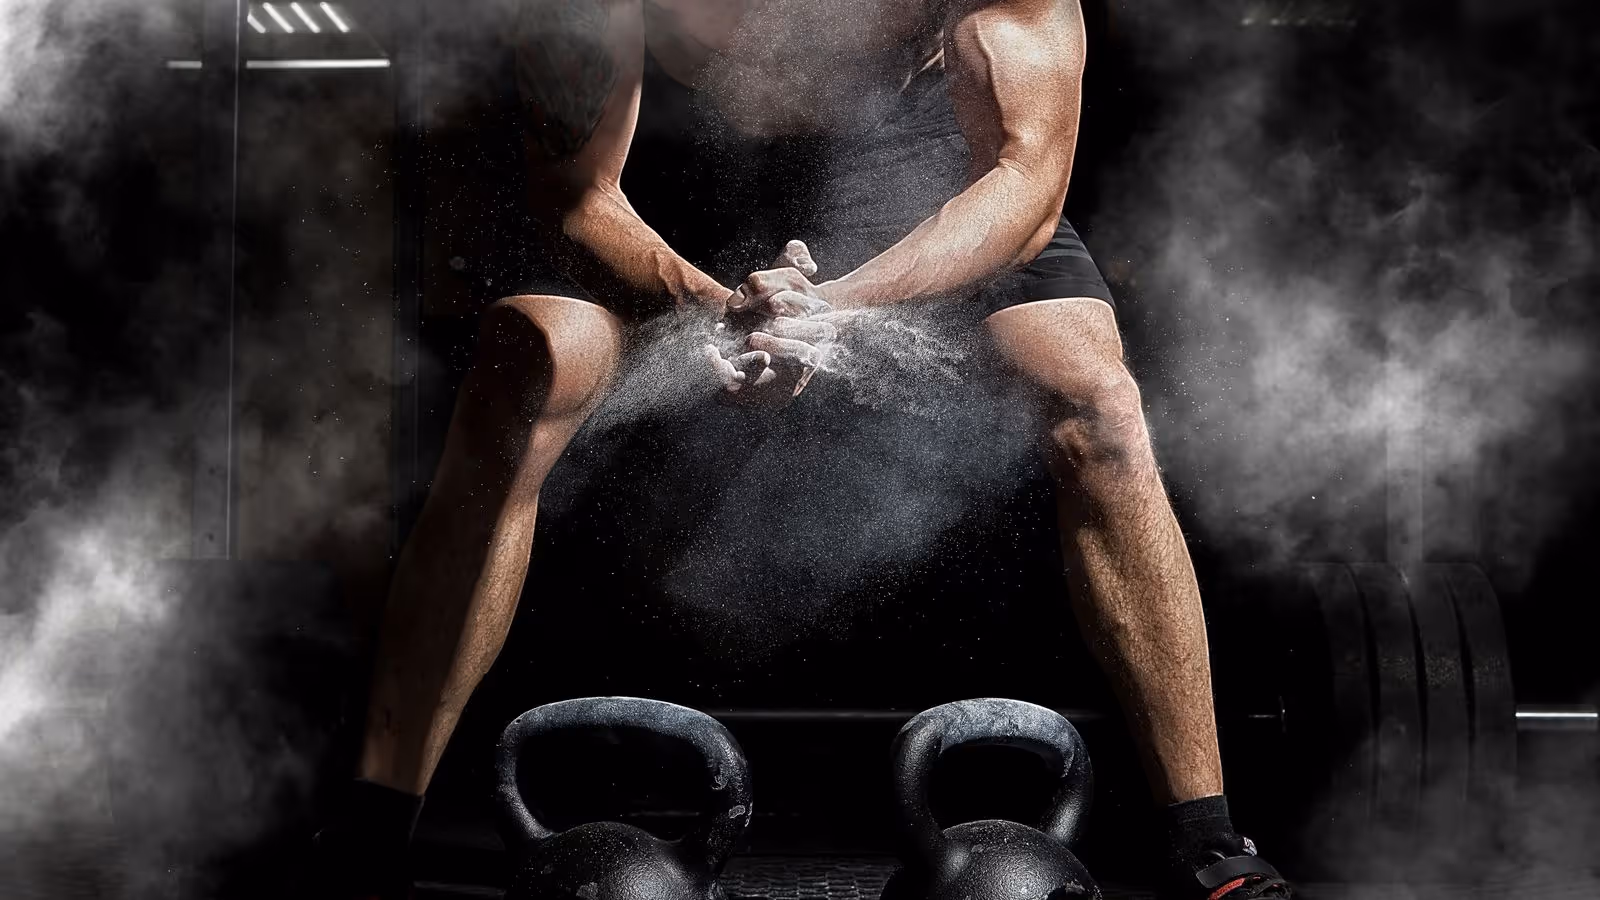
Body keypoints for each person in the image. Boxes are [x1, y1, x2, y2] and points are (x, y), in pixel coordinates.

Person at [317, 1, 1294, 897]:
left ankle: (1203, 842)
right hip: (659, 202)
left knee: (1096, 397)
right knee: (519, 368)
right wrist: (723, 309)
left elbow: (1025, 185)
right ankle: (371, 828)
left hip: (928, 204)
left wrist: (828, 310)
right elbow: (578, 193)